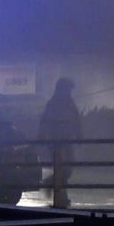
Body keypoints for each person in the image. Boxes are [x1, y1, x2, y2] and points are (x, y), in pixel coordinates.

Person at [36, 78, 82, 209]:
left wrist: (78, 134)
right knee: (62, 168)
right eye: (68, 89)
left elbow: (76, 119)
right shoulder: (53, 104)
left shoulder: (68, 103)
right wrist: (41, 135)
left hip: (65, 140)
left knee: (67, 167)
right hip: (55, 141)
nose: (69, 92)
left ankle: (53, 186)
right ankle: (60, 196)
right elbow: (44, 120)